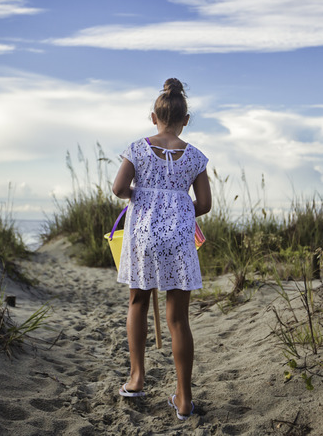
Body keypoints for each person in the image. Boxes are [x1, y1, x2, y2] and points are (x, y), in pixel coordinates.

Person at [111, 78, 212, 421]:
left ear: (153, 117)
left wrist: (143, 200)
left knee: (138, 301)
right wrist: (178, 209)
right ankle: (184, 399)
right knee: (178, 318)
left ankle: (137, 378)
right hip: (180, 239)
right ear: (186, 119)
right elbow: (205, 204)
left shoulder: (138, 148)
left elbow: (119, 187)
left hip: (142, 234)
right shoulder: (195, 156)